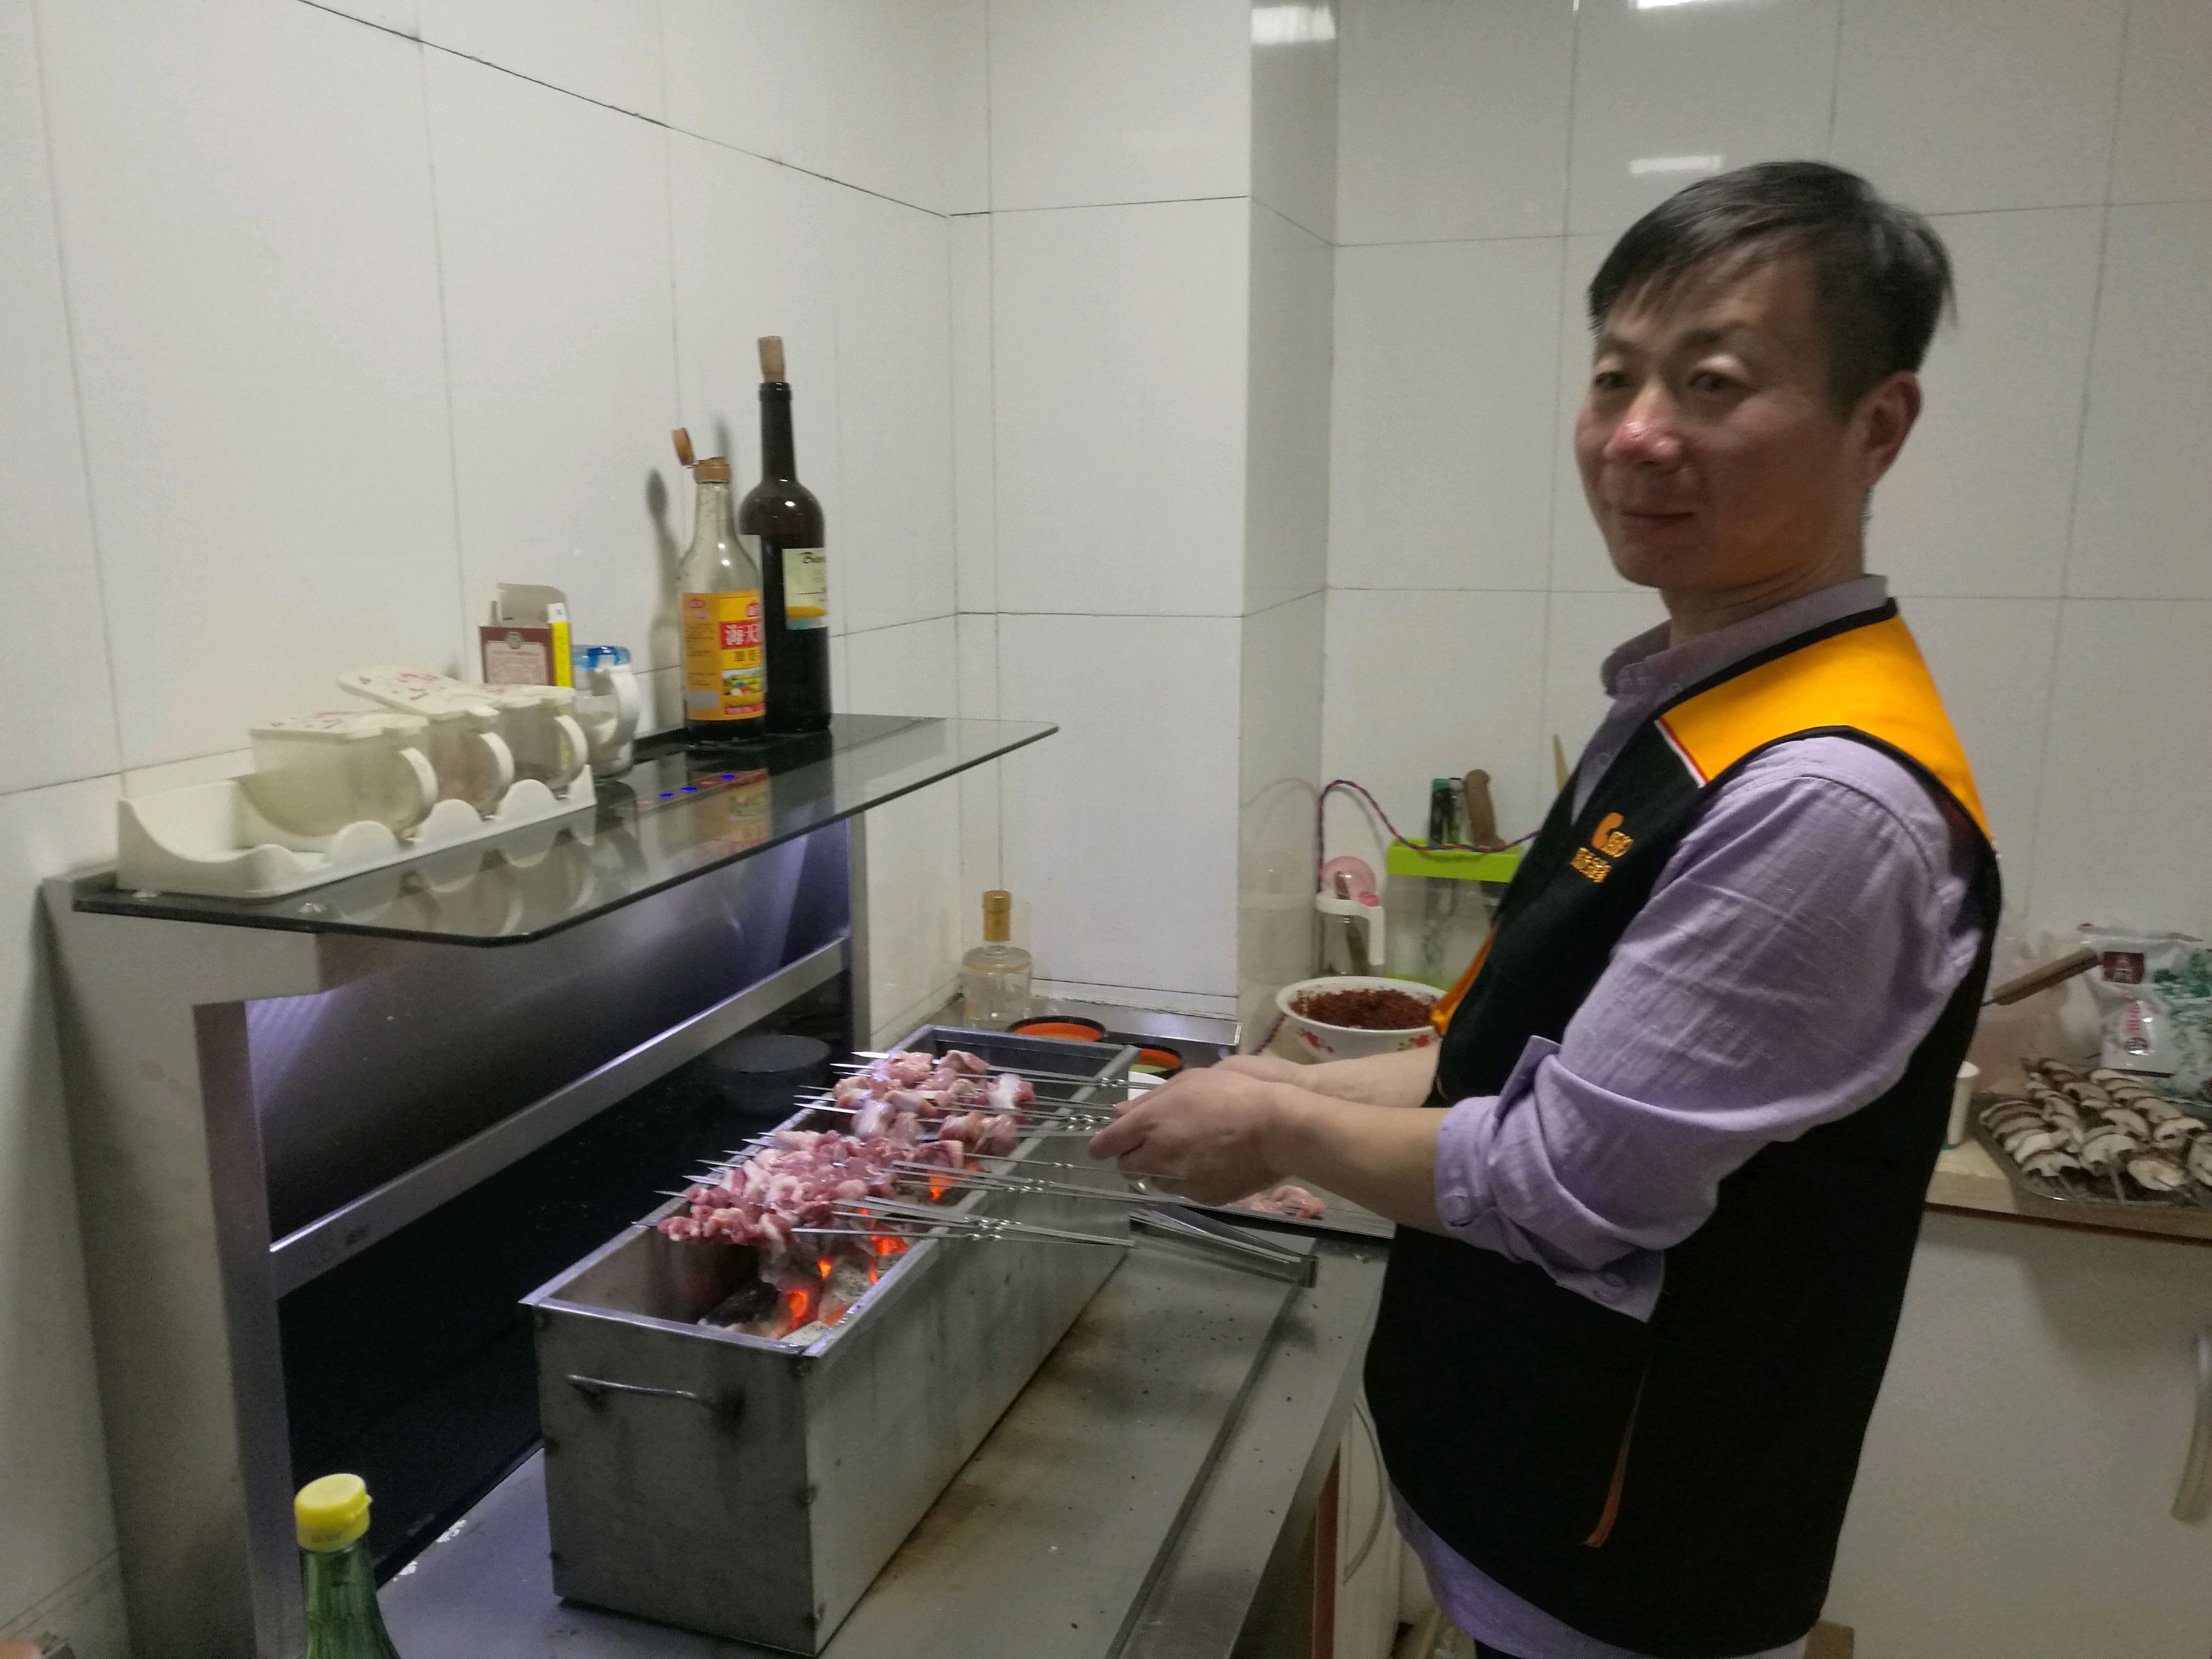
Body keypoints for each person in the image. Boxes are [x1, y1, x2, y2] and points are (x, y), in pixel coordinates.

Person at [1091, 161, 1999, 1659]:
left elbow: (1568, 1181)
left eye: (1712, 382)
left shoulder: (1824, 797)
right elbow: (1508, 1057)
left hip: (1629, 1569)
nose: (1637, 433)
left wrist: (1276, 1129)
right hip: (1532, 1510)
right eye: (1615, 377)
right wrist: (1262, 1081)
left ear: (1877, 426)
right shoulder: (1701, 703)